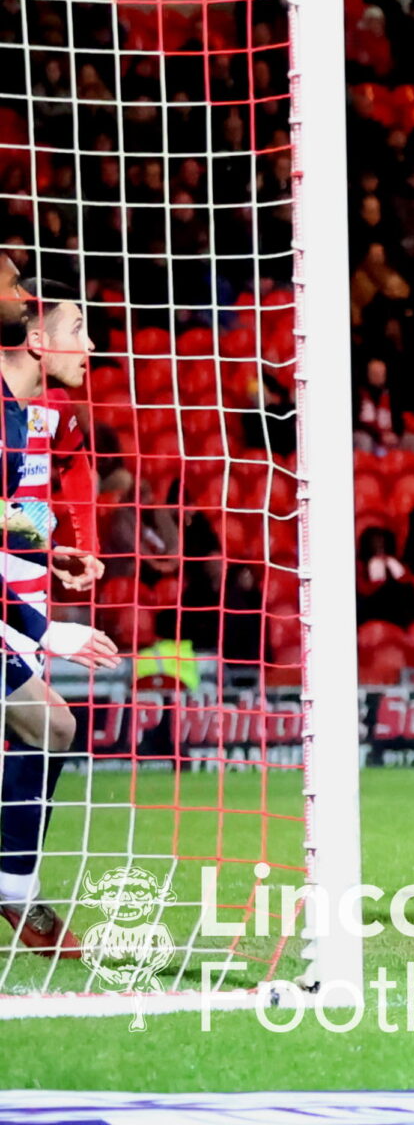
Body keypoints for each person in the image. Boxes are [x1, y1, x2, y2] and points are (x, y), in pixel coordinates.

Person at [0, 281, 117, 957]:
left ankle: (15, 890)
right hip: (14, 594)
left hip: (19, 583)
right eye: (79, 329)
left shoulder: (33, 415)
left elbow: (23, 505)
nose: (92, 345)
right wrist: (47, 630)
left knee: (51, 726)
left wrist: (58, 545)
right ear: (37, 337)